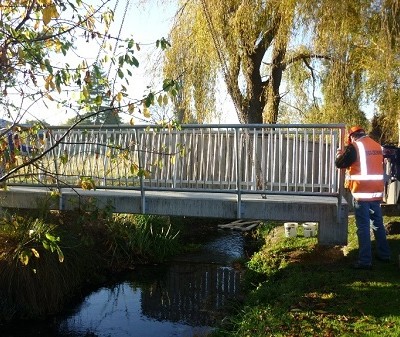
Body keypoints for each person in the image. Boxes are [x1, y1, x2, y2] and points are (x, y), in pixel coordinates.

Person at [335, 126, 391, 269]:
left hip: (361, 193)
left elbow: (340, 163)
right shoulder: (377, 146)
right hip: (376, 193)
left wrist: (338, 155)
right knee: (378, 224)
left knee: (363, 227)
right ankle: (384, 254)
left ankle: (365, 261)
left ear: (352, 136)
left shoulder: (354, 147)